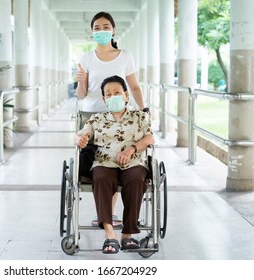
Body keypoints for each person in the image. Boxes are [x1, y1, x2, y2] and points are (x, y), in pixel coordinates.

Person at [76, 11, 146, 227]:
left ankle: (110, 214)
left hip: (121, 115)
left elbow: (133, 86)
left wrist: (143, 109)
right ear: (92, 33)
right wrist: (80, 80)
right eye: (97, 28)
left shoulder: (125, 56)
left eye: (105, 27)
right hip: (93, 116)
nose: (101, 31)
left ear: (113, 30)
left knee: (118, 157)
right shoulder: (86, 58)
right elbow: (81, 94)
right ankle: (107, 215)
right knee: (103, 161)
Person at [74, 75, 155, 254]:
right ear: (104, 99)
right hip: (104, 161)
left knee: (136, 179)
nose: (113, 96)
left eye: (117, 92)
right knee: (101, 177)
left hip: (133, 160)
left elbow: (150, 138)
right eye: (108, 94)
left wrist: (131, 149)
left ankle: (128, 234)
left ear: (126, 95)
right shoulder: (97, 119)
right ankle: (109, 234)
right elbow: (79, 135)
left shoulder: (139, 116)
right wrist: (80, 139)